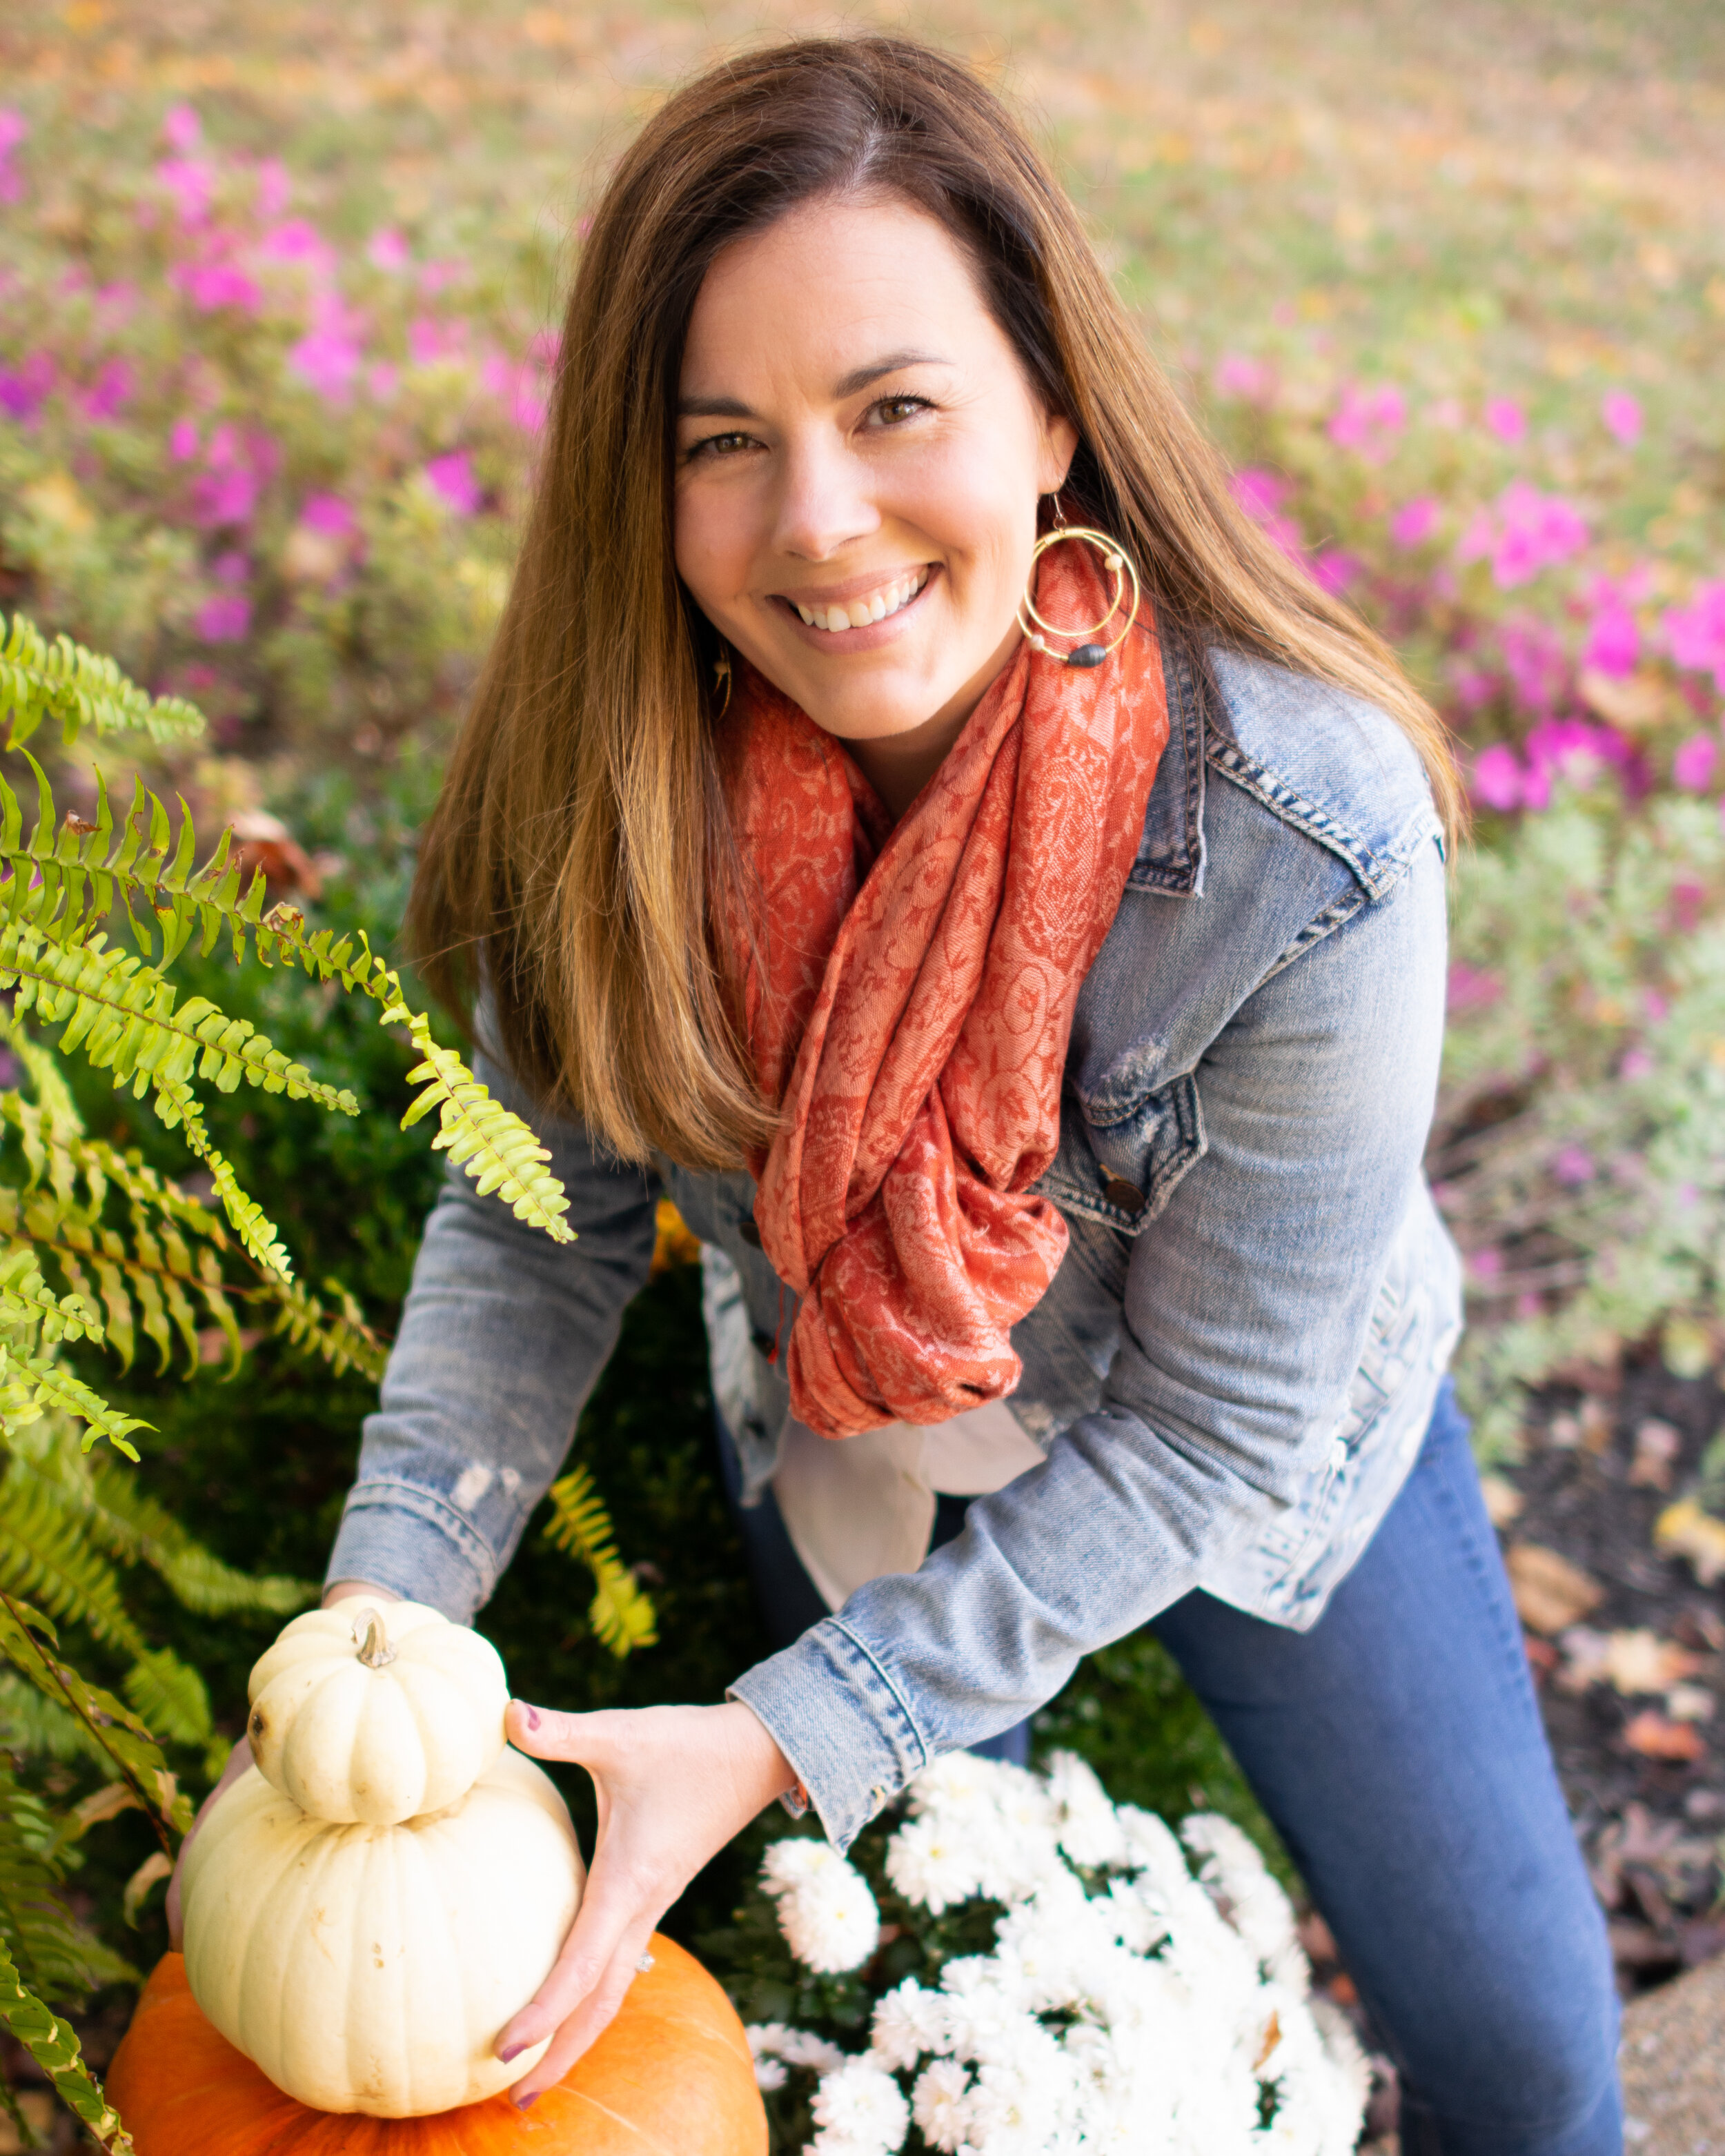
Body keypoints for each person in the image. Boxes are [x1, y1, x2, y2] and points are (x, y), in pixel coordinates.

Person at [169, 38, 1621, 2155]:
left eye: (893, 409)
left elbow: (1216, 1428)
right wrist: (377, 1623)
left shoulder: (1304, 839)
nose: (817, 522)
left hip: (1260, 1450)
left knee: (1525, 2056)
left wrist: (784, 1736)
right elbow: (533, 1223)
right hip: (840, 1429)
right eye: (723, 442)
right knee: (950, 2024)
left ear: (1052, 407)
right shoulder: (611, 793)